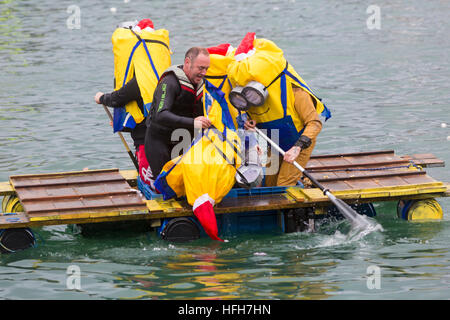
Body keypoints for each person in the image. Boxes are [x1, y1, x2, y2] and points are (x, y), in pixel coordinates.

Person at [94, 19, 171, 188]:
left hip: (146, 136)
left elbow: (121, 96)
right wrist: (122, 124)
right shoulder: (157, 69)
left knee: (149, 174)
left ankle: (154, 194)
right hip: (156, 128)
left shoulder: (142, 75)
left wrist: (102, 98)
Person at [145, 47, 212, 179]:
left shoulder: (203, 84)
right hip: (160, 141)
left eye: (206, 69)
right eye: (200, 68)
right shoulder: (170, 82)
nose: (204, 73)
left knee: (188, 182)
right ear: (187, 62)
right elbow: (161, 115)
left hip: (183, 140)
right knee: (167, 183)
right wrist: (194, 122)